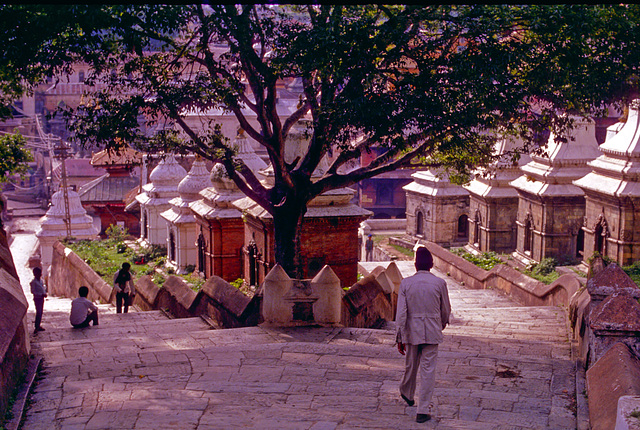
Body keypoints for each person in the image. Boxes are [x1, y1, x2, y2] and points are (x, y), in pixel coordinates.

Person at [395, 246, 451, 423]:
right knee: (428, 371)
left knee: (411, 365)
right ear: (431, 264)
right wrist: (440, 324)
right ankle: (423, 409)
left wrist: (400, 336)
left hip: (412, 331)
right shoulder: (440, 283)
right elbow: (445, 309)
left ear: (415, 264)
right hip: (432, 330)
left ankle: (407, 392)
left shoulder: (406, 283)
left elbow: (401, 313)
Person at [30, 267, 47, 333]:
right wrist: (40, 294)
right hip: (37, 298)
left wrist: (44, 293)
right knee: (38, 312)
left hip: (41, 298)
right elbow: (33, 291)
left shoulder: (41, 281)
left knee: (40, 312)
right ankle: (36, 326)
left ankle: (38, 325)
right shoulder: (33, 282)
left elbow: (43, 288)